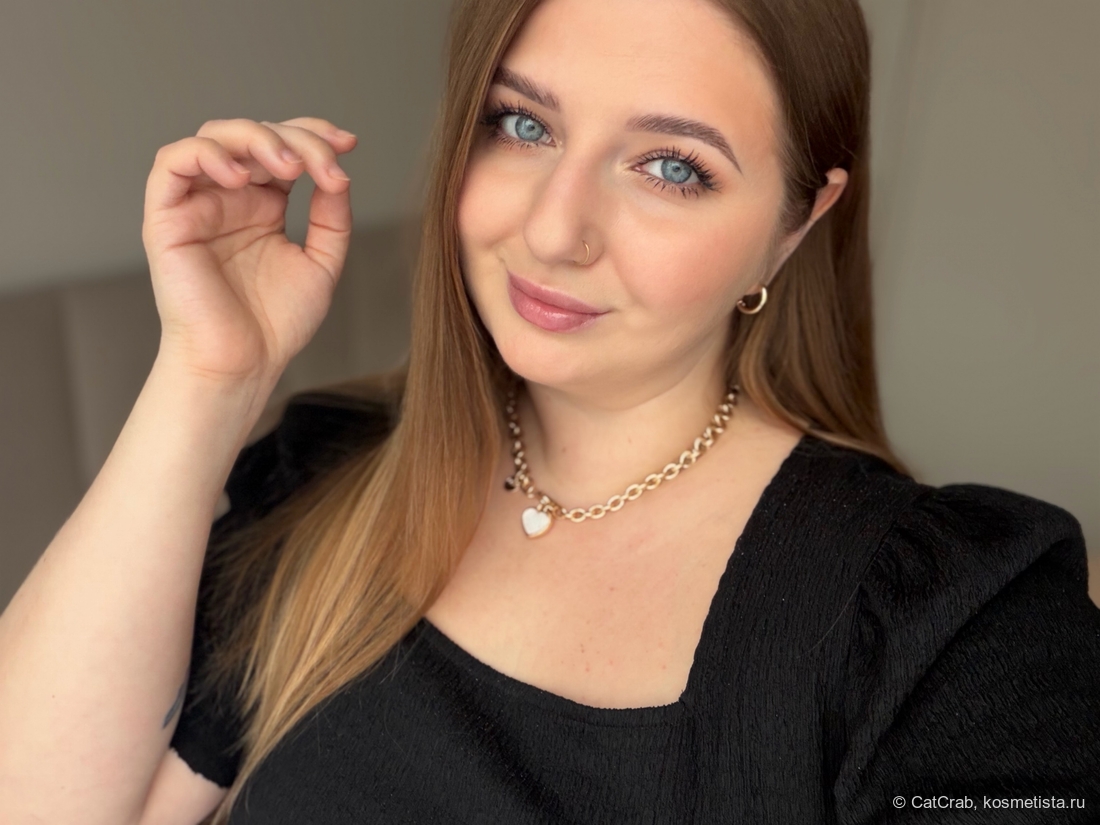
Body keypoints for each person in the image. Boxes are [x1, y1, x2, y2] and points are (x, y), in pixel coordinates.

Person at [1, 0, 1098, 822]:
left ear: (795, 223)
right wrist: (208, 374)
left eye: (671, 167)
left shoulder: (952, 626)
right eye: (522, 126)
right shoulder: (327, 480)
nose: (554, 230)